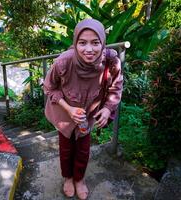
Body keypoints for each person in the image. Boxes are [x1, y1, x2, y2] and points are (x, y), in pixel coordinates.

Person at [43, 19, 123, 199]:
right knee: (66, 149)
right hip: (64, 113)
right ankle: (68, 178)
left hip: (88, 115)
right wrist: (68, 109)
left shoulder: (111, 62)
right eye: (82, 43)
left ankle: (79, 179)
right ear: (75, 43)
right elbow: (49, 88)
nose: (89, 50)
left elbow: (116, 87)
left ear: (103, 42)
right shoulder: (63, 62)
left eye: (95, 43)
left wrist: (108, 108)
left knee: (83, 149)